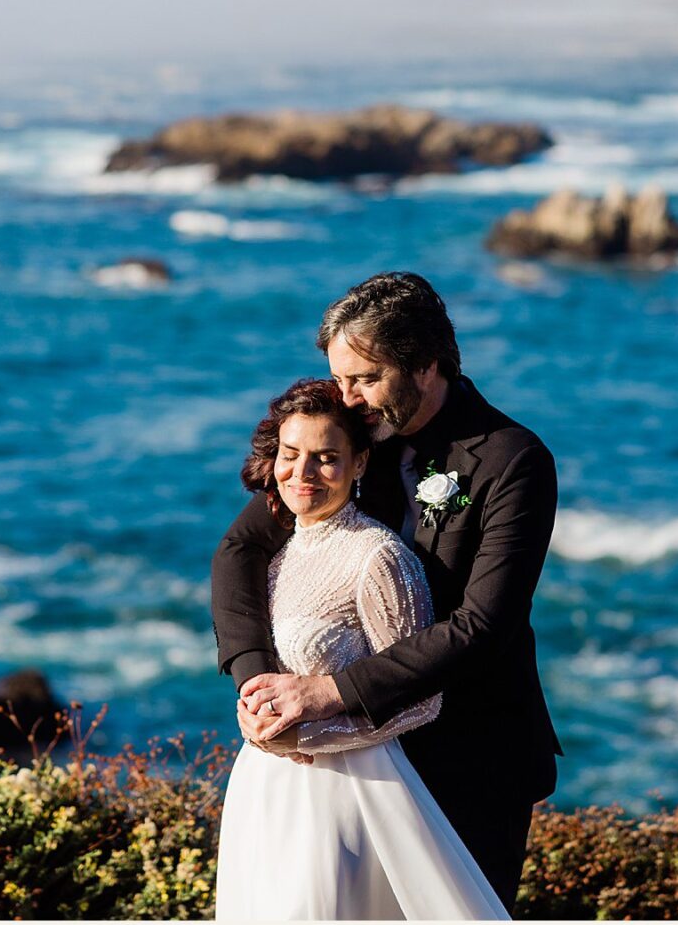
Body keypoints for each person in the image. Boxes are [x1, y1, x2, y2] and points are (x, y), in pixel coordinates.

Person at [212, 271, 562, 913]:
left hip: (467, 759)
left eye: (365, 379)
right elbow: (240, 550)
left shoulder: (514, 461)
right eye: (340, 377)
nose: (346, 398)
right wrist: (257, 684)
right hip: (343, 763)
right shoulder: (347, 441)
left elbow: (484, 625)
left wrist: (327, 692)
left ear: (428, 364)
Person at [213, 378, 507, 919]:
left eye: (326, 458)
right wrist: (255, 708)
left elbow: (422, 699)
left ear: (360, 464)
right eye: (291, 454)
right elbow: (234, 559)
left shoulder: (378, 558)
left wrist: (311, 735)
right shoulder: (281, 551)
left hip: (348, 802)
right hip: (265, 789)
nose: (302, 474)